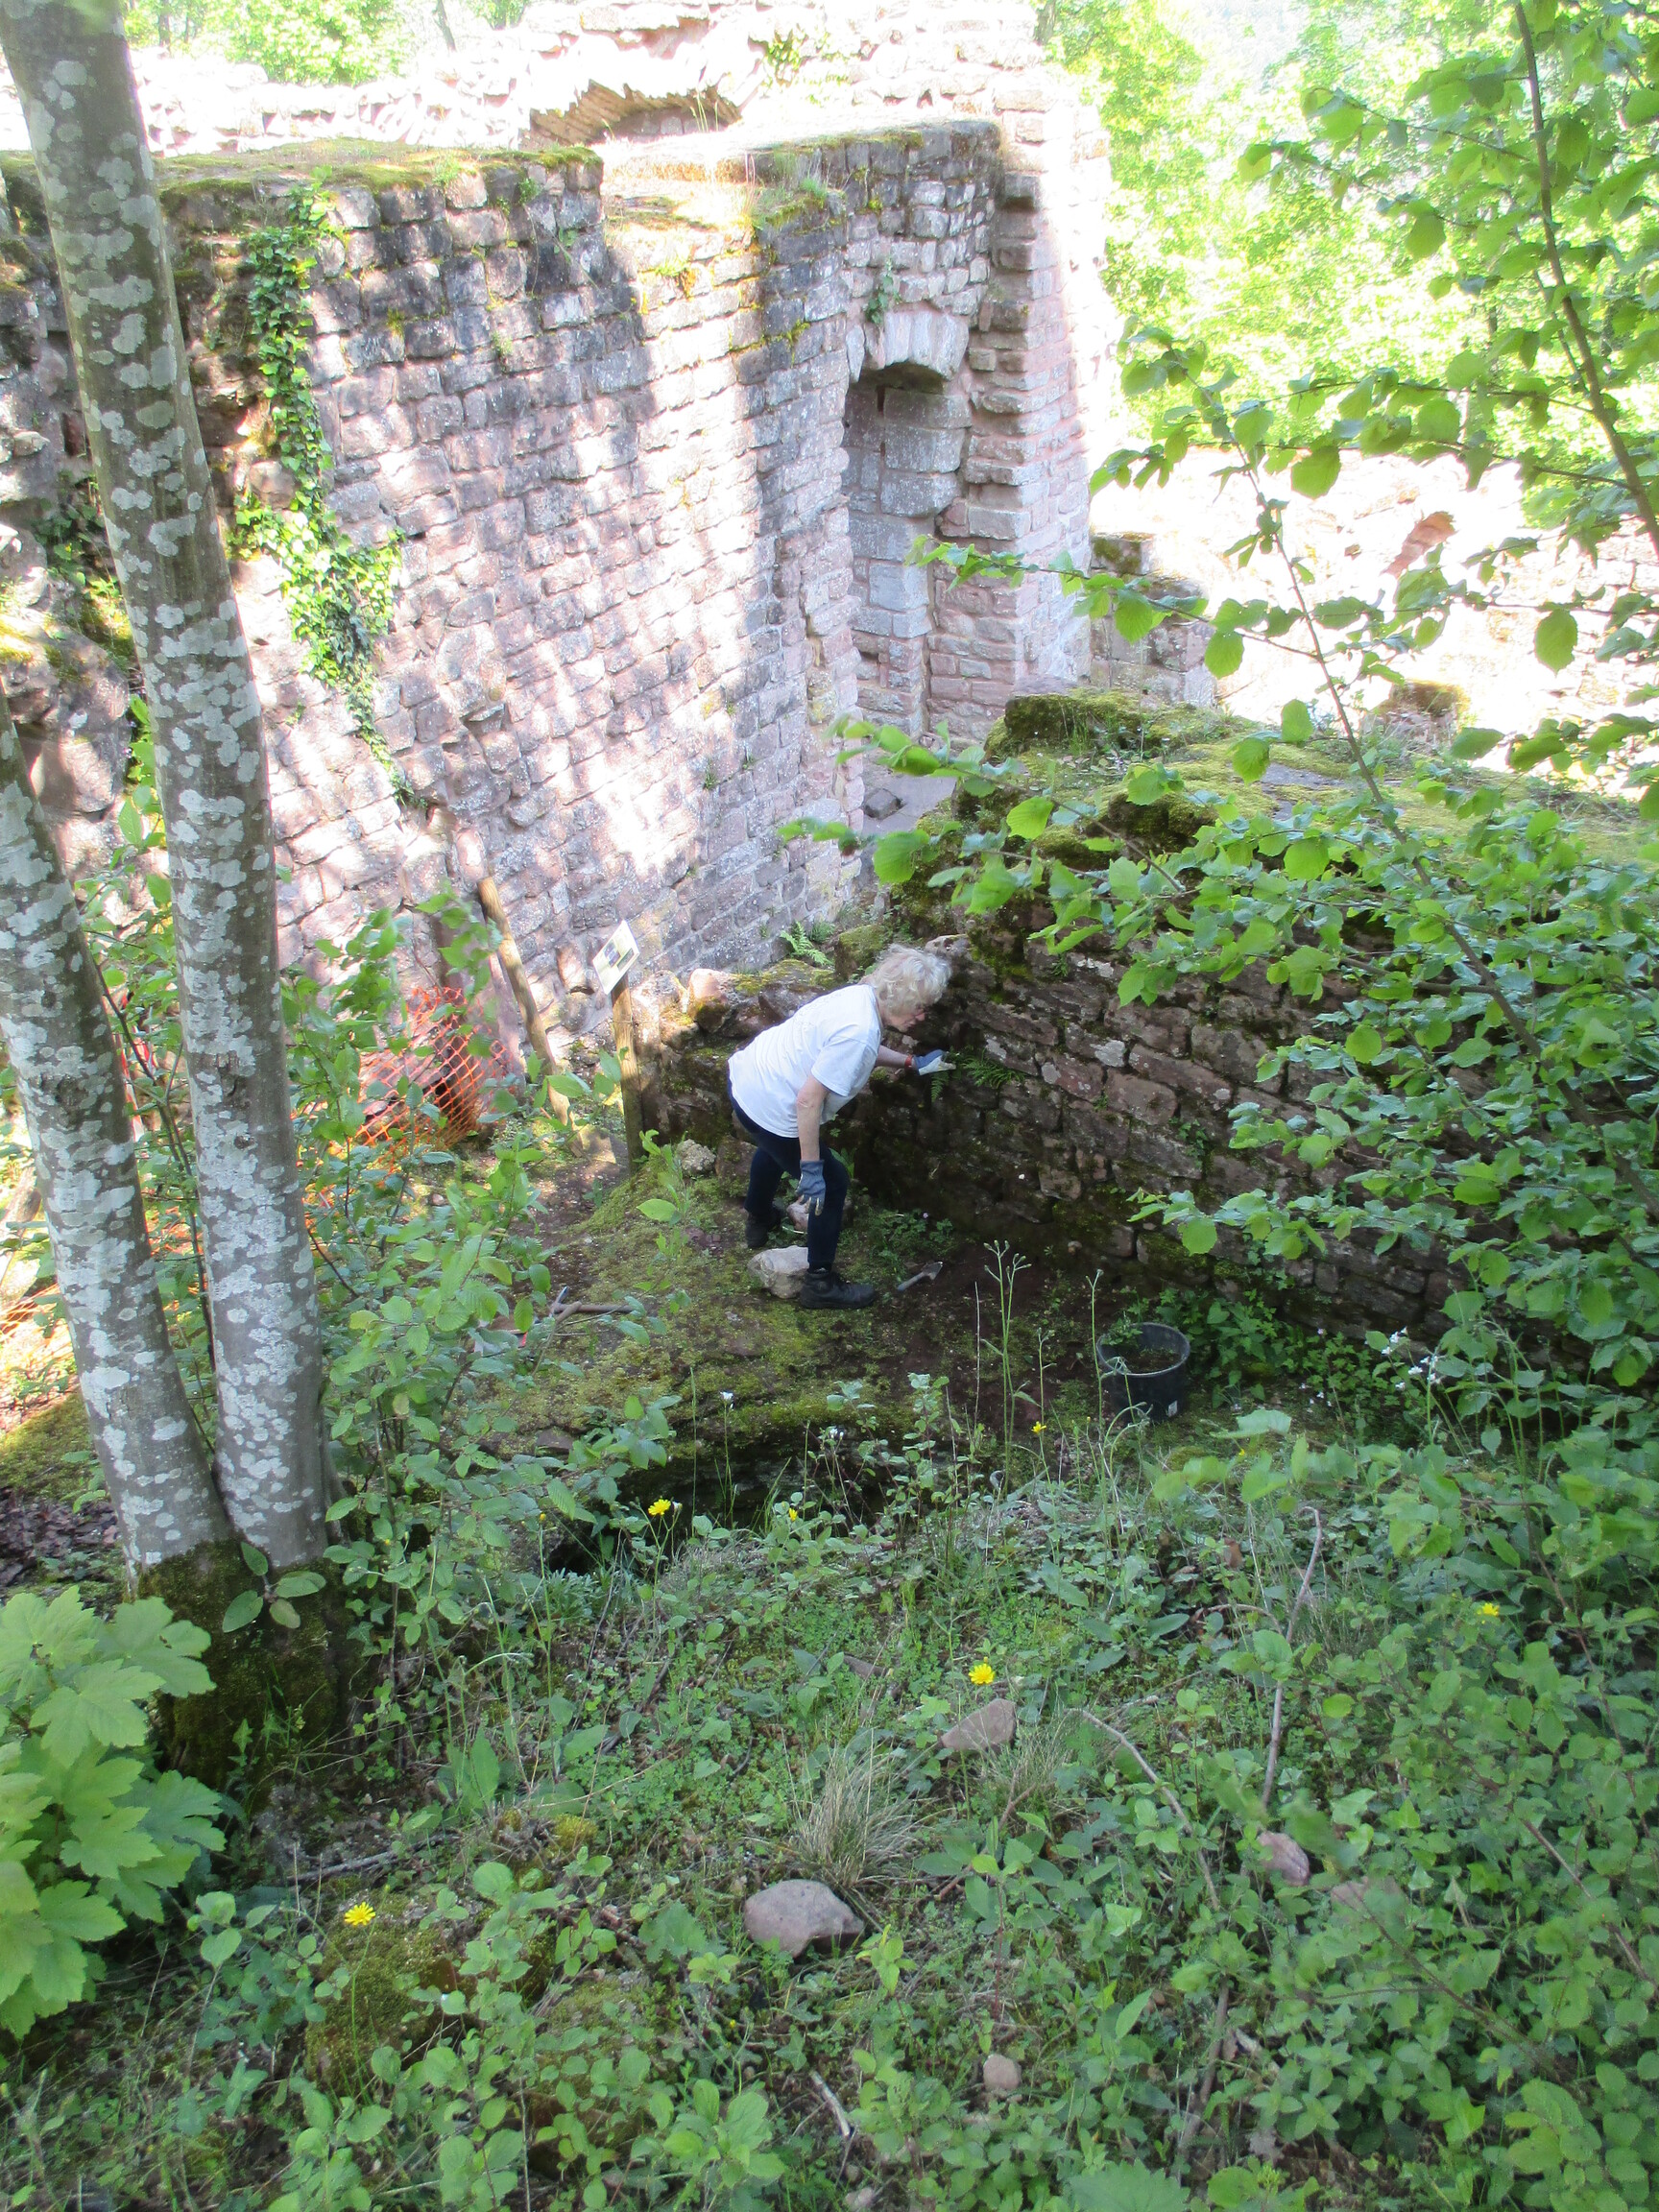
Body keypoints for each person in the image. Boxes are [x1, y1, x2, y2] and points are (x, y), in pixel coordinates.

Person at [727, 944, 951, 1310]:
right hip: (775, 1101)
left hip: (750, 1082)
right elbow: (807, 1101)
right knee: (832, 1184)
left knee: (774, 1146)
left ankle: (759, 1218)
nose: (922, 1016)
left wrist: (911, 1063)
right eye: (918, 1006)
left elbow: (862, 1051)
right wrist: (812, 1168)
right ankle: (820, 1282)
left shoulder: (860, 998)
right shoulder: (860, 1030)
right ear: (898, 996)